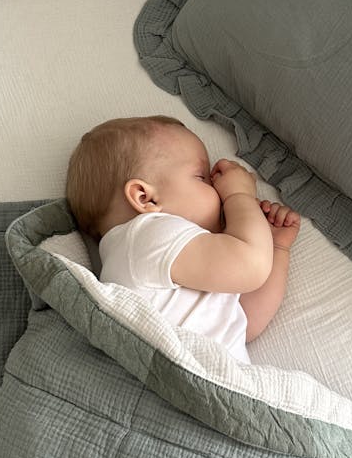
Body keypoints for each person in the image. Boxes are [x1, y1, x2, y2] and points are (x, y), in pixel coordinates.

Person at [65, 115, 300, 362]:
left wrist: (276, 247)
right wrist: (240, 196)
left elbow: (243, 323)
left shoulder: (157, 256)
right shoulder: (147, 236)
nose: (218, 189)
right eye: (201, 177)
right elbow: (250, 266)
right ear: (146, 199)